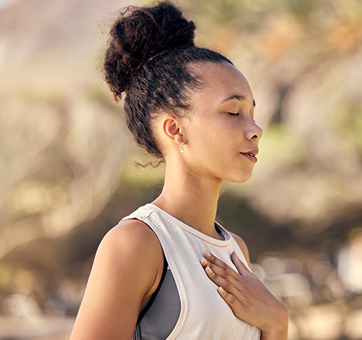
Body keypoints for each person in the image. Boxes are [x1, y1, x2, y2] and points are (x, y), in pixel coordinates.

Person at [69, 1, 289, 339]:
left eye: (251, 112)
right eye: (233, 113)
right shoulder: (136, 244)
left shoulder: (235, 250)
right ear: (175, 130)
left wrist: (276, 323)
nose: (254, 129)